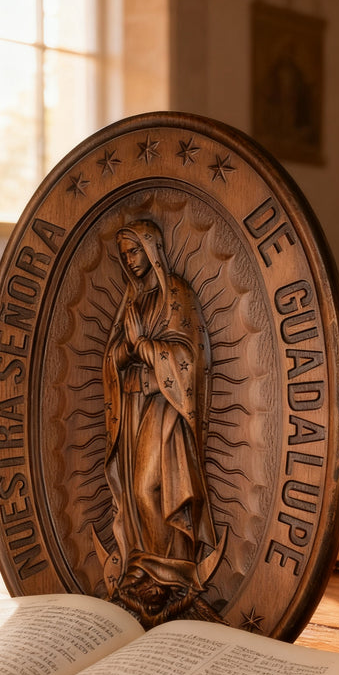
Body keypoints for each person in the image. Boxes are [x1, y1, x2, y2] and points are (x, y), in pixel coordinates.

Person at [96, 219, 224, 627]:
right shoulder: (132, 303)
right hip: (133, 405)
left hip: (165, 406)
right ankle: (141, 566)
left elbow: (188, 356)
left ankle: (168, 572)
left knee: (148, 486)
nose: (130, 261)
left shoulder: (176, 295)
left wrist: (144, 346)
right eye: (124, 255)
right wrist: (123, 353)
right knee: (133, 495)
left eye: (134, 252)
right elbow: (114, 356)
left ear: (151, 249)